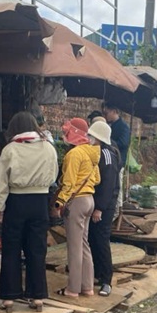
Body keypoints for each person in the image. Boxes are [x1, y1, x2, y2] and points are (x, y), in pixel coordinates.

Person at [0, 112, 59, 313]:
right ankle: (37, 297)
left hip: (16, 202)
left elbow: (0, 180)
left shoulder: (10, 149)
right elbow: (54, 176)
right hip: (40, 202)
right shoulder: (49, 148)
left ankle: (9, 298)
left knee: (11, 248)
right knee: (37, 249)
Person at [51, 117, 100, 298]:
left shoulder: (74, 154)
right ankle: (87, 287)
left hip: (77, 202)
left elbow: (69, 183)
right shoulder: (92, 152)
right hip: (89, 199)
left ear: (74, 133)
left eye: (66, 132)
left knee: (74, 247)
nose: (64, 135)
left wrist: (59, 202)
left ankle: (72, 289)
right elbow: (97, 179)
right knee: (84, 244)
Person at [87, 121, 120, 298]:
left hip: (104, 206)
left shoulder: (107, 155)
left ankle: (106, 280)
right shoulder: (96, 152)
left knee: (101, 240)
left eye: (91, 136)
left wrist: (99, 208)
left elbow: (108, 186)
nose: (88, 138)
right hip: (96, 203)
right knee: (93, 238)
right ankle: (97, 273)